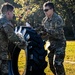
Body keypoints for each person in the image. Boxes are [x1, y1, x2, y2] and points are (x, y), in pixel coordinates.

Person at [42, 1, 66, 75]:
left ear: (52, 9)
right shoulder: (44, 20)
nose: (45, 12)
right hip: (51, 45)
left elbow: (58, 33)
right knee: (51, 66)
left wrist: (46, 31)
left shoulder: (58, 19)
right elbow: (45, 35)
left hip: (59, 44)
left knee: (57, 64)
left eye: (46, 10)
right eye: (44, 10)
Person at [0, 2, 25, 75]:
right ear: (8, 13)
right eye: (12, 12)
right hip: (1, 54)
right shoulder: (5, 23)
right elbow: (12, 37)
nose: (13, 14)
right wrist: (23, 43)